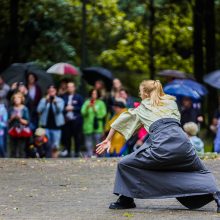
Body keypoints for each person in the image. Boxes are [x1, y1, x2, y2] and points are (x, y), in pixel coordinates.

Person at [96, 79, 220, 212]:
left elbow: (122, 119)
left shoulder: (143, 107)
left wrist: (108, 139)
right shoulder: (171, 102)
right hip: (184, 143)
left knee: (125, 164)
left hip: (162, 145)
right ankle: (218, 196)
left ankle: (126, 199)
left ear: (144, 92)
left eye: (140, 91)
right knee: (200, 170)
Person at [37, 85, 65, 158]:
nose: (51, 92)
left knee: (55, 145)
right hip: (46, 126)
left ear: (55, 91)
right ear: (47, 92)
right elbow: (39, 110)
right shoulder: (43, 100)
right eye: (50, 91)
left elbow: (60, 110)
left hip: (56, 127)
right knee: (46, 144)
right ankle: (47, 159)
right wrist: (46, 101)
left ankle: (54, 160)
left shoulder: (60, 100)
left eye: (52, 91)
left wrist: (55, 103)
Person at [60, 82, 84, 157]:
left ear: (74, 88)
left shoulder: (79, 97)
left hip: (76, 120)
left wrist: (73, 108)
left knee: (77, 136)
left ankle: (77, 151)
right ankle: (68, 151)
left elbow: (82, 108)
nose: (70, 88)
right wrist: (65, 109)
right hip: (66, 120)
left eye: (71, 87)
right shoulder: (63, 97)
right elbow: (60, 108)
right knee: (67, 137)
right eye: (68, 87)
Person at [81, 89, 107, 157]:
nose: (94, 95)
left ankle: (99, 155)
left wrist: (95, 110)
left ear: (98, 94)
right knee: (88, 141)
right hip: (88, 126)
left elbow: (103, 114)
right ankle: (90, 155)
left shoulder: (101, 103)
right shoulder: (87, 102)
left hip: (97, 126)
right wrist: (87, 107)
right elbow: (82, 113)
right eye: (92, 93)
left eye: (95, 93)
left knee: (98, 142)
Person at [8, 92, 31, 158]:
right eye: (14, 98)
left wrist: (20, 118)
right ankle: (12, 163)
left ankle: (22, 164)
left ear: (21, 99)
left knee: (21, 149)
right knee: (13, 149)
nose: (16, 99)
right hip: (13, 130)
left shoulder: (25, 109)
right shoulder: (11, 108)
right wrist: (12, 118)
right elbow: (8, 121)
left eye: (18, 98)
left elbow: (27, 122)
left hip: (22, 130)